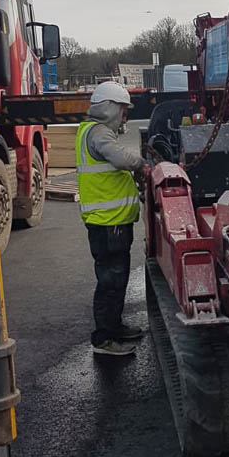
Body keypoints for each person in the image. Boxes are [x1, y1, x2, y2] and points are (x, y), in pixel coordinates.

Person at [76, 81, 148, 357]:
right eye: (122, 109)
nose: (125, 116)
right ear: (108, 109)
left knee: (117, 280)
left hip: (112, 223)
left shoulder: (93, 132)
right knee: (110, 281)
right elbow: (119, 159)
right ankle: (104, 338)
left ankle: (114, 327)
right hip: (108, 225)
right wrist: (142, 164)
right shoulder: (99, 134)